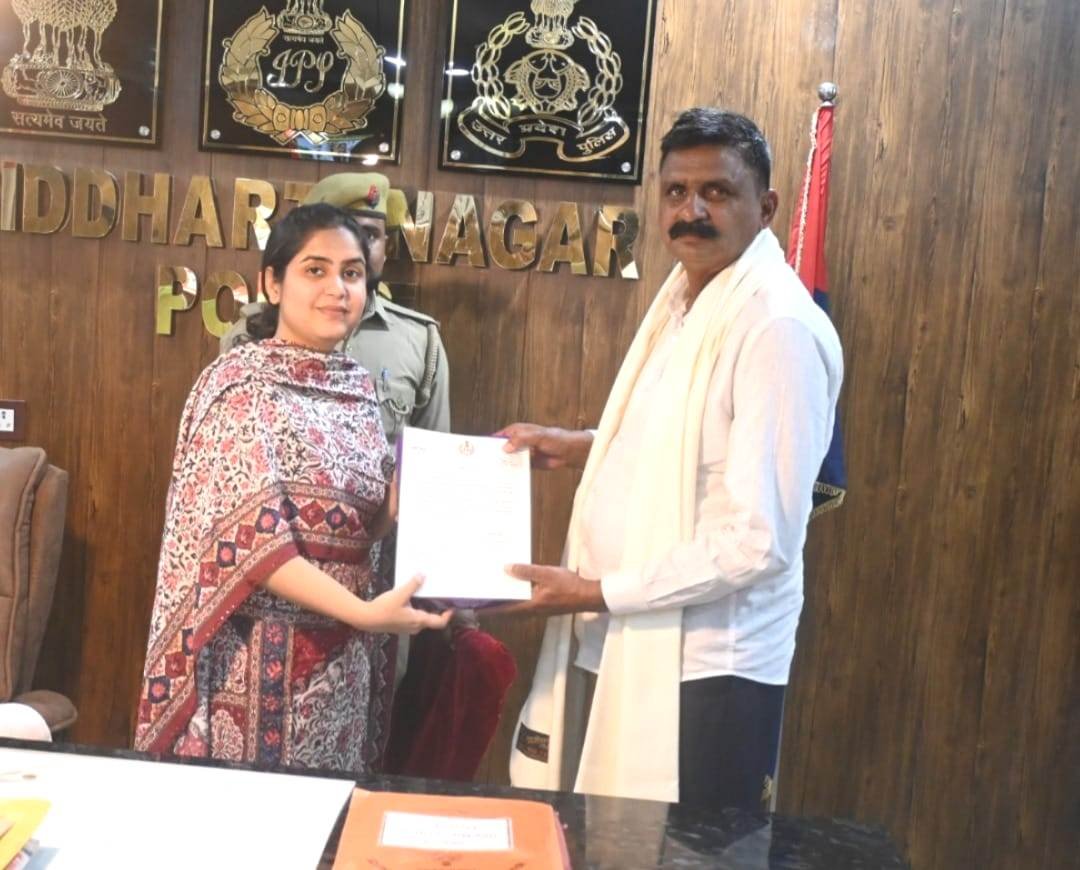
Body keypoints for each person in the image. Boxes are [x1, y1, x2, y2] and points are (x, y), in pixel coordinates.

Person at [497, 108, 844, 810]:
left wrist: (594, 591)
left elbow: (758, 542)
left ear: (766, 207)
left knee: (690, 854)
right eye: (676, 192)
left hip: (707, 667)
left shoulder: (775, 326)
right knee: (604, 843)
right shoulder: (688, 298)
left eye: (717, 191)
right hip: (626, 636)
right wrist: (584, 446)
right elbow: (690, 442)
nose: (692, 211)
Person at [135, 204, 451, 772]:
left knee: (330, 817)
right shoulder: (239, 386)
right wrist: (363, 613)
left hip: (341, 668)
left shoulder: (356, 388)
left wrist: (399, 502)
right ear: (273, 283)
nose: (337, 289)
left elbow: (360, 530)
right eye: (315, 270)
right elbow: (252, 544)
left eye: (352, 273)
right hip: (252, 665)